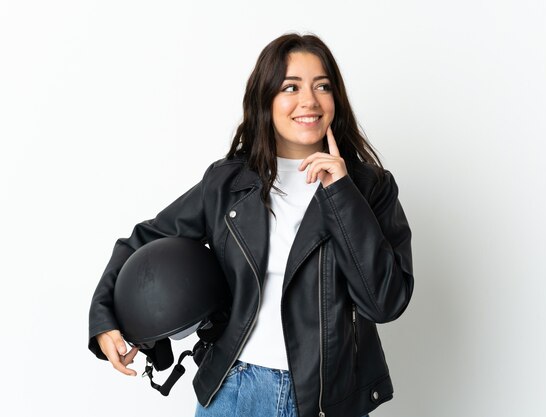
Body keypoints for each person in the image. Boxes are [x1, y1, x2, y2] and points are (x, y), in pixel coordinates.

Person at [88, 33, 414, 417]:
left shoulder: (369, 188)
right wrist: (105, 317)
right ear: (267, 100)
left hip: (327, 401)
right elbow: (143, 240)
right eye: (291, 87)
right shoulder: (228, 184)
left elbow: (385, 302)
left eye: (322, 86)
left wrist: (341, 193)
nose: (309, 100)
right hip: (236, 390)